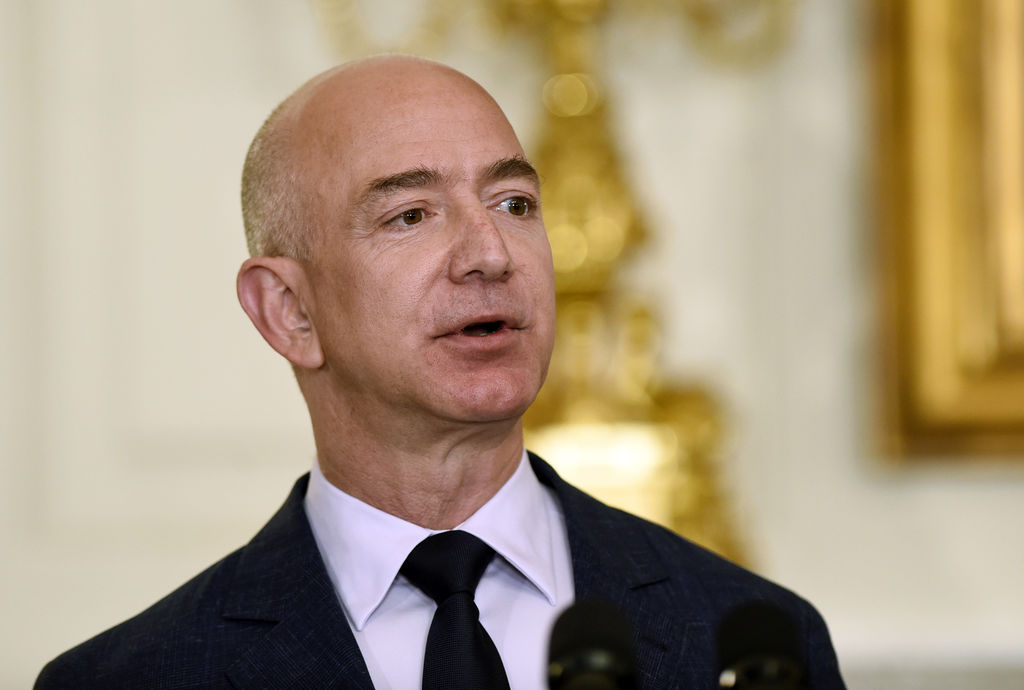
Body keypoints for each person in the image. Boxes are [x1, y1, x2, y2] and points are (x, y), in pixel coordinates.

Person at [35, 56, 845, 689]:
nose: (490, 253)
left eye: (514, 203)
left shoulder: (751, 638)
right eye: (411, 215)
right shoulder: (135, 678)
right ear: (289, 311)